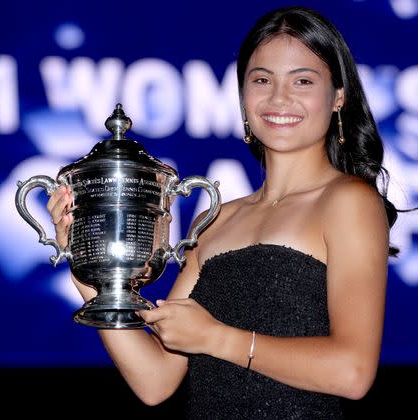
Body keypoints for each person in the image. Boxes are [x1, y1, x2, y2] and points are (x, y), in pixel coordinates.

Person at [48, 6, 398, 419]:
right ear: (243, 97)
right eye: (262, 80)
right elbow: (156, 381)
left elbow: (352, 372)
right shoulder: (215, 220)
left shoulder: (349, 201)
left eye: (303, 80)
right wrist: (89, 269)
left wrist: (217, 339)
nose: (279, 98)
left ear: (338, 96)